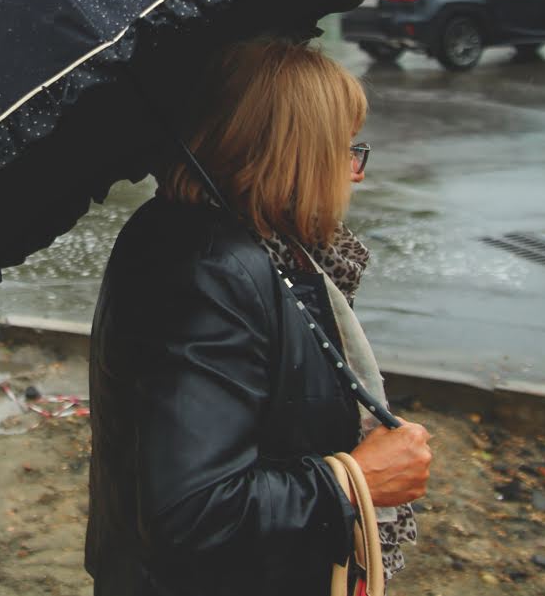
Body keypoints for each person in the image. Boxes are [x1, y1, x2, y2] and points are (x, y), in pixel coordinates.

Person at [86, 38, 432, 595]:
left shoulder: (245, 245)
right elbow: (189, 510)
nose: (356, 173)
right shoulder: (208, 271)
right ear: (297, 157)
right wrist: (355, 481)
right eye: (346, 150)